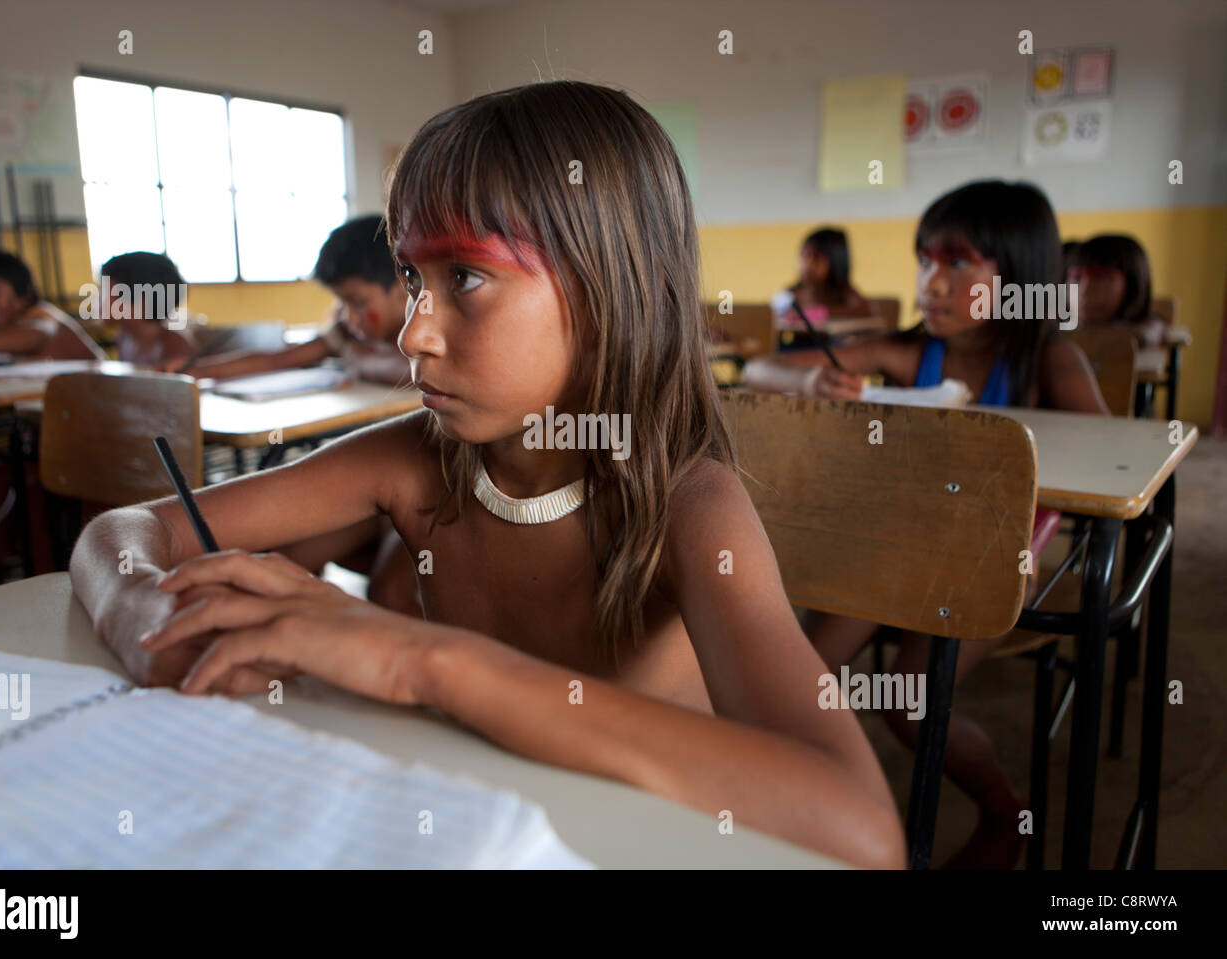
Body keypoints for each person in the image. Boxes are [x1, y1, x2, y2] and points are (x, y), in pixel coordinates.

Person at [70, 80, 906, 870]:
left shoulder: (689, 504)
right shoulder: (410, 458)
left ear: (615, 288)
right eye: (410, 279)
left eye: (463, 277)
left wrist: (425, 660)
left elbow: (860, 827)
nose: (412, 334)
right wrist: (142, 608)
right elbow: (122, 531)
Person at [747, 179, 1108, 868]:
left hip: (999, 560)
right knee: (808, 660)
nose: (931, 283)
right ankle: (818, 801)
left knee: (908, 711)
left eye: (958, 263)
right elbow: (762, 366)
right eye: (924, 262)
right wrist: (811, 385)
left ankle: (1007, 813)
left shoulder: (1049, 361)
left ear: (1021, 276)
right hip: (900, 545)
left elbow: (1115, 464)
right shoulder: (909, 353)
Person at [184, 216, 409, 385]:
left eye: (358, 302)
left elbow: (410, 372)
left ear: (403, 289)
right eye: (342, 303)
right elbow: (276, 360)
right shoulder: (347, 334)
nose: (348, 317)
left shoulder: (423, 331)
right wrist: (196, 371)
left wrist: (358, 361)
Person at [98, 251, 197, 370]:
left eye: (104, 292)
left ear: (141, 300)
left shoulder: (174, 344)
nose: (98, 299)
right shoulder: (125, 338)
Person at [1068, 234, 1165, 347]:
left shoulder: (1146, 327)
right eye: (1076, 278)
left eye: (1100, 278)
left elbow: (1150, 330)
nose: (1083, 290)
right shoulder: (1056, 325)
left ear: (1133, 285)